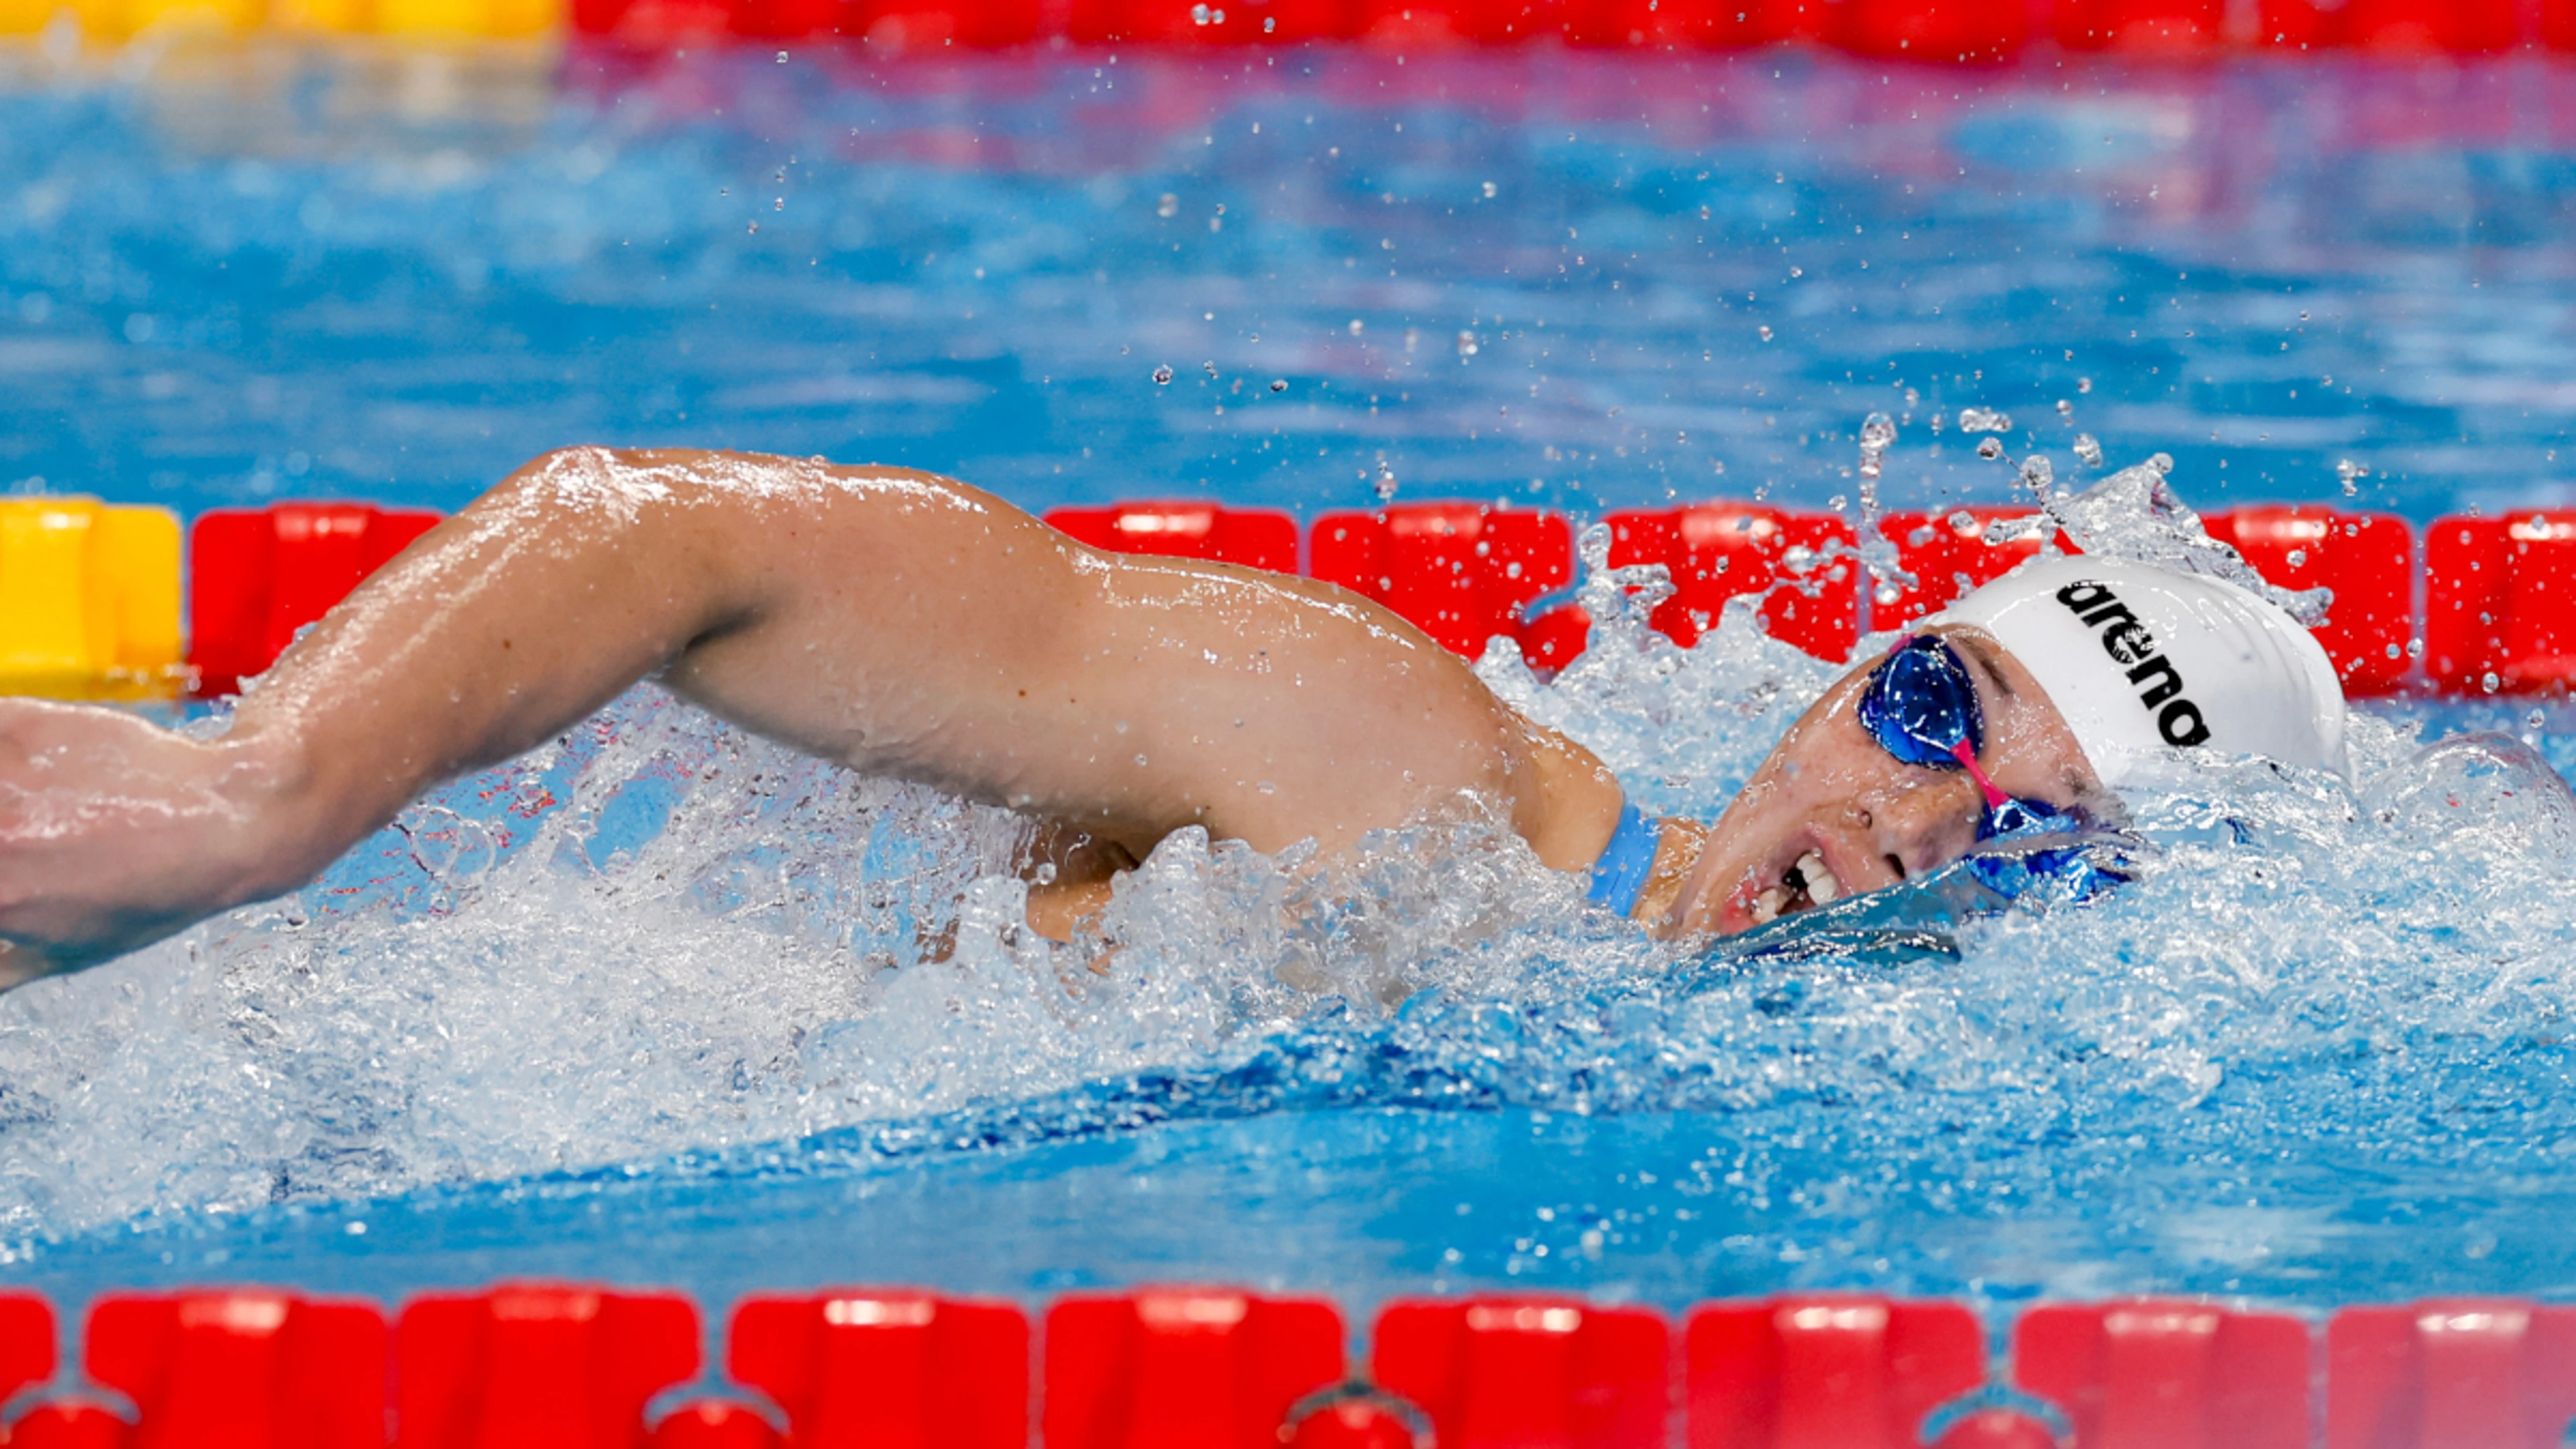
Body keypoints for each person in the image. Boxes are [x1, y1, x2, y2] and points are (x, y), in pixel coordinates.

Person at [0, 446, 2348, 992]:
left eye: (2036, 835)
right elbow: (675, 531)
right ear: (1848, 670)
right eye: (1936, 702)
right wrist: (260, 793)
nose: (1915, 819)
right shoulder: (1413, 776)